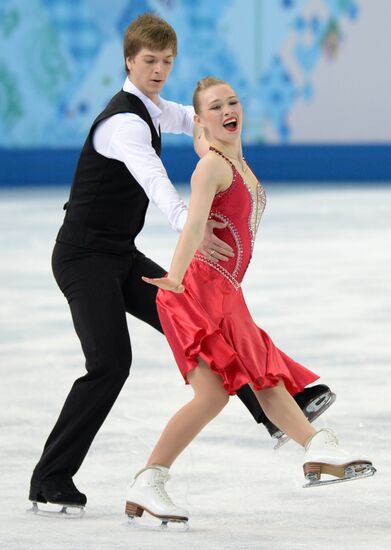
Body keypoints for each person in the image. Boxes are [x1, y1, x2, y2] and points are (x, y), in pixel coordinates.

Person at [29, 14, 334, 514]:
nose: (159, 70)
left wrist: (215, 125)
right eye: (150, 61)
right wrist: (190, 223)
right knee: (109, 363)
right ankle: (50, 477)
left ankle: (275, 416)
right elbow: (153, 179)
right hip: (83, 258)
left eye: (167, 62)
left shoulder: (152, 109)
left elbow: (197, 119)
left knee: (199, 317)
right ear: (129, 61)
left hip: (120, 255)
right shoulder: (124, 123)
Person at [125, 77, 375, 527]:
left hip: (226, 293)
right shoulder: (214, 168)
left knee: (255, 380)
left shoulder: (227, 159)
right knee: (230, 390)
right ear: (202, 120)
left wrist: (204, 130)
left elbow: (205, 141)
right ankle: (151, 479)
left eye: (233, 102)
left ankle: (315, 449)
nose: (227, 111)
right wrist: (176, 278)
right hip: (197, 291)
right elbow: (194, 224)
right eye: (215, 107)